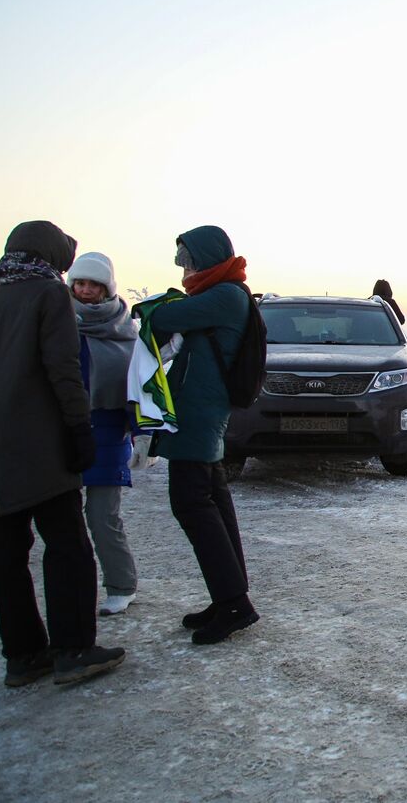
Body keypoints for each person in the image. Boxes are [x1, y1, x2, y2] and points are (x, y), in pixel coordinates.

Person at [0, 221, 126, 686]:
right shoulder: (48, 295)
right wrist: (79, 428)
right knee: (69, 546)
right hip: (42, 447)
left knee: (8, 551)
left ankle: (22, 656)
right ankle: (74, 648)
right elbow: (63, 369)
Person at [146, 226, 260, 645]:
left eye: (189, 260)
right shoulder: (224, 293)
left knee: (192, 504)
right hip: (202, 411)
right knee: (213, 500)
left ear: (209, 258)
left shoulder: (225, 294)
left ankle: (234, 602)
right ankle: (230, 597)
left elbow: (162, 317)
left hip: (198, 414)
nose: (184, 269)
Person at [69, 252, 144, 616]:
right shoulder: (55, 321)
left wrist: (142, 433)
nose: (84, 291)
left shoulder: (125, 329)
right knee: (64, 520)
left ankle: (121, 584)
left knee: (102, 515)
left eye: (92, 285)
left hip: (109, 428)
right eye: (79, 283)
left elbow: (138, 385)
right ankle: (73, 590)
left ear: (106, 288)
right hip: (63, 429)